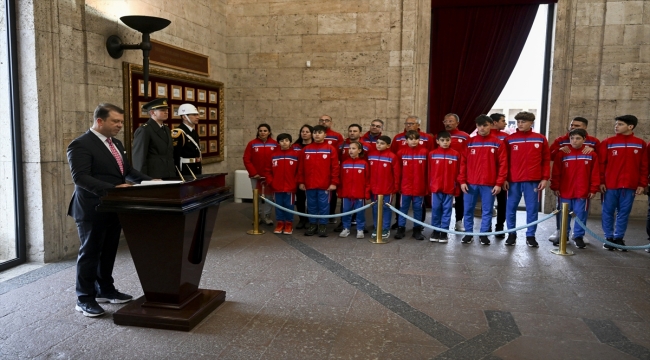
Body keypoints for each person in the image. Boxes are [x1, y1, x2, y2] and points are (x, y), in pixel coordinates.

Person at [67, 103, 152, 317]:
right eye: (116, 121)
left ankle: (105, 290)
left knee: (108, 252)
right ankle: (84, 298)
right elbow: (81, 177)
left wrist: (152, 182)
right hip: (91, 208)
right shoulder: (80, 144)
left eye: (121, 121)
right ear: (100, 121)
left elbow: (127, 170)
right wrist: (113, 188)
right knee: (90, 253)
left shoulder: (116, 143)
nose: (120, 125)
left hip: (113, 207)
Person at [598, 115, 648, 251]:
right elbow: (601, 164)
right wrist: (601, 181)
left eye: (620, 124)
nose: (616, 126)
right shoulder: (608, 142)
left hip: (630, 186)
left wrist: (642, 184)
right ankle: (608, 238)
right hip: (610, 185)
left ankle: (619, 238)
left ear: (630, 127)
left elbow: (644, 166)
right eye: (616, 124)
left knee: (624, 212)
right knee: (607, 212)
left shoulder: (640, 144)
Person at [548, 116, 601, 243]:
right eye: (572, 138)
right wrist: (555, 187)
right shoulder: (562, 151)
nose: (574, 141)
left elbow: (596, 172)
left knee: (580, 213)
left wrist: (594, 188)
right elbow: (555, 170)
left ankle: (578, 236)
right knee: (563, 213)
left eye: (578, 138)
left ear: (584, 138)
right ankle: (563, 235)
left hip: (582, 191)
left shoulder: (591, 152)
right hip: (565, 190)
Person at [503, 111, 550, 247]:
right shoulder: (510, 139)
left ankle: (531, 235)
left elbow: (546, 160)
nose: (520, 124)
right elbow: (504, 160)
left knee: (532, 208)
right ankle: (511, 234)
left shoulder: (540, 138)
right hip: (513, 180)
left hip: (533, 180)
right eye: (518, 122)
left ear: (531, 123)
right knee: (510, 208)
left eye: (523, 122)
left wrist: (545, 178)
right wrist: (505, 178)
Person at [459, 115, 507, 245]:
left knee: (487, 210)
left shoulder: (498, 143)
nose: (481, 128)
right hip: (470, 183)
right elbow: (462, 163)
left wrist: (498, 183)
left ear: (491, 125)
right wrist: (462, 181)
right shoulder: (469, 142)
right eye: (479, 125)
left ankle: (484, 234)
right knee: (468, 209)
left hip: (489, 184)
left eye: (485, 125)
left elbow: (503, 165)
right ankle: (468, 233)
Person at [390, 116, 432, 229]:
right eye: (407, 123)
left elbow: (429, 165)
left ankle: (419, 226)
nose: (408, 125)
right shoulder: (398, 140)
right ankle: (400, 225)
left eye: (411, 123)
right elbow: (394, 161)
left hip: (419, 184)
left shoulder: (426, 141)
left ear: (418, 125)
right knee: (402, 205)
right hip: (404, 183)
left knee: (418, 206)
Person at [298, 125, 340, 237]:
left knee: (324, 205)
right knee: (311, 205)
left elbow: (335, 167)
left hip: (325, 185)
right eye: (315, 132)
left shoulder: (330, 149)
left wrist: (333, 183)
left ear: (325, 135)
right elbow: (301, 167)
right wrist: (301, 181)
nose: (317, 134)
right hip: (309, 184)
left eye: (320, 132)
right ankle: (312, 224)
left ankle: (322, 225)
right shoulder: (306, 149)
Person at [434, 113, 470, 232]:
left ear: (457, 123)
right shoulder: (438, 136)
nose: (448, 123)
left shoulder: (464, 136)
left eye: (451, 121)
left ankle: (459, 221)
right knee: (441, 202)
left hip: (460, 172)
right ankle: (437, 226)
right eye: (446, 121)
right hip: (443, 174)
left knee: (460, 198)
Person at [335, 124, 370, 232]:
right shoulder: (342, 145)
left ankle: (360, 227)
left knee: (360, 210)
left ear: (360, 133)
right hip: (347, 182)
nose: (352, 133)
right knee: (346, 208)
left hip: (359, 182)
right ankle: (345, 225)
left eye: (355, 131)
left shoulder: (367, 146)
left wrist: (366, 190)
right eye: (350, 131)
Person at [428, 131, 462, 243]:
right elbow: (429, 172)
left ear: (450, 140)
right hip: (436, 188)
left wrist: (456, 188)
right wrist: (430, 186)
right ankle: (436, 230)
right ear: (437, 141)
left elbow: (458, 172)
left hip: (449, 188)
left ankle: (444, 232)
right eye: (442, 140)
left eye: (447, 140)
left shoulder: (455, 154)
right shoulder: (432, 154)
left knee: (447, 210)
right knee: (436, 210)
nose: (445, 142)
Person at [395, 130, 428, 240]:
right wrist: (398, 185)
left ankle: (417, 229)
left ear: (419, 140)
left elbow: (428, 171)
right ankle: (401, 228)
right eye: (411, 139)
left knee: (418, 208)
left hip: (419, 187)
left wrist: (426, 186)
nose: (414, 141)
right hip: (405, 187)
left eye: (416, 139)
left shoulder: (424, 152)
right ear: (406, 140)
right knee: (402, 208)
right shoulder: (401, 153)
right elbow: (397, 171)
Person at [132, 98, 176, 179]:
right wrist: (143, 180)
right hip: (154, 176)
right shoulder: (144, 130)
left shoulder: (166, 129)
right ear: (152, 112)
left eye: (167, 110)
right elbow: (139, 159)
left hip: (169, 174)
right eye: (162, 110)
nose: (167, 112)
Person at [243, 123, 278, 225]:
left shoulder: (275, 144)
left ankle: (267, 216)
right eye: (261, 131)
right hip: (255, 176)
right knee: (256, 196)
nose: (263, 133)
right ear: (258, 132)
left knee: (269, 197)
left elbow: (276, 160)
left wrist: (272, 174)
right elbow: (246, 159)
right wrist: (254, 173)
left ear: (269, 132)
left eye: (265, 131)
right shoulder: (252, 143)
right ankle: (257, 216)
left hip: (269, 176)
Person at [266, 133, 300, 235]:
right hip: (276, 187)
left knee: (289, 206)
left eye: (286, 140)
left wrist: (295, 182)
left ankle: (289, 224)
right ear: (278, 143)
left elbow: (299, 171)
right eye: (281, 141)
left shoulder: (295, 155)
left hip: (290, 187)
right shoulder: (273, 156)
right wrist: (271, 182)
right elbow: (268, 171)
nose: (284, 143)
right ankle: (280, 223)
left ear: (290, 142)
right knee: (278, 206)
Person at [368, 136, 400, 239]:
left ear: (388, 145)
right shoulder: (371, 155)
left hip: (387, 189)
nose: (379, 145)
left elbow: (396, 174)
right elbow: (368, 173)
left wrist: (395, 187)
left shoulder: (392, 156)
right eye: (377, 143)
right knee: (375, 208)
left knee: (386, 208)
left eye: (382, 143)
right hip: (374, 189)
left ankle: (385, 228)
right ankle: (377, 227)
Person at [318, 115, 344, 224]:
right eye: (322, 120)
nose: (324, 122)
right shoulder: (315, 134)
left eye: (326, 120)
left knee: (331, 194)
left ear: (331, 122)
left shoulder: (337, 136)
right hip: (318, 169)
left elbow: (340, 152)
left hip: (331, 169)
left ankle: (331, 215)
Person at [490, 113, 508, 238]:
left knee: (502, 202)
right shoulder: (482, 137)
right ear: (495, 122)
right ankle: (486, 227)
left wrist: (506, 178)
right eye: (503, 121)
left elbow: (508, 159)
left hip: (502, 176)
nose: (505, 123)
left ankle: (500, 226)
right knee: (487, 204)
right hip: (486, 177)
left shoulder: (506, 137)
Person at [171, 104, 202, 176]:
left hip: (195, 168)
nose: (197, 117)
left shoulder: (193, 132)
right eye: (194, 115)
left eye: (197, 114)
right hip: (184, 170)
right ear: (184, 117)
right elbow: (175, 156)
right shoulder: (178, 133)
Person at [293, 125, 313, 229]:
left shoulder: (314, 146)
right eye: (302, 131)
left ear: (311, 134)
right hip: (298, 176)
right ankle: (302, 219)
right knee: (300, 199)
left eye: (307, 131)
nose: (304, 133)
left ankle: (310, 219)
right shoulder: (295, 146)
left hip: (311, 177)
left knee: (310, 200)